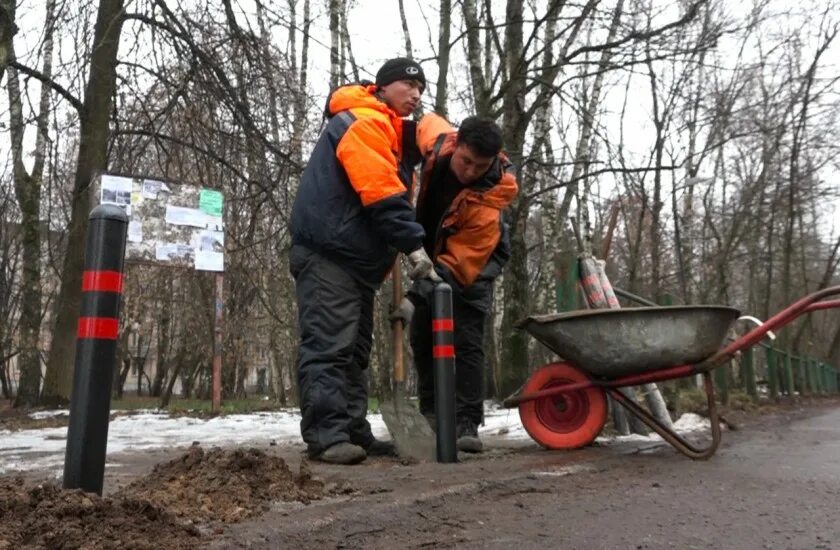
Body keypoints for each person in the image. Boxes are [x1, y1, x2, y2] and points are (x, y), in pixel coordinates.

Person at [289, 58, 440, 465]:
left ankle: (352, 429)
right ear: (384, 86)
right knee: (329, 345)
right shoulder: (364, 121)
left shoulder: (386, 134)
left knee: (354, 351)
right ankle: (326, 435)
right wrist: (413, 246)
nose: (416, 95)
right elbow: (380, 192)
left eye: (421, 89)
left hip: (354, 262)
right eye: (409, 85)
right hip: (330, 254)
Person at [392, 113, 518, 453]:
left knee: (466, 338)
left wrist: (413, 298)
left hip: (476, 263)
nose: (471, 171)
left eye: (481, 165)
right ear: (456, 144)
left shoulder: (489, 199)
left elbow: (456, 263)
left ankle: (466, 422)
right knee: (422, 335)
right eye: (466, 161)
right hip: (434, 251)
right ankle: (431, 413)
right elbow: (420, 124)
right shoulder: (437, 141)